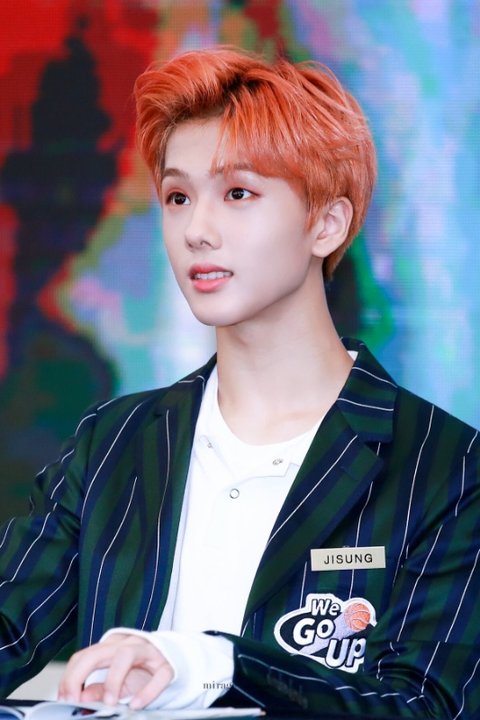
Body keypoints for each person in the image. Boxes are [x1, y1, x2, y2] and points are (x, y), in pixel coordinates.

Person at [1, 46, 479, 719]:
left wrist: (214, 665)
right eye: (178, 197)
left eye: (238, 194)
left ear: (327, 223)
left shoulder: (446, 467)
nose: (196, 231)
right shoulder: (113, 444)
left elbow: (428, 705)